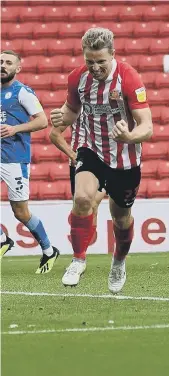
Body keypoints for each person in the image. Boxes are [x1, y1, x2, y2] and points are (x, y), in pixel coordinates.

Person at [50, 28, 153, 293]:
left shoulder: (129, 78)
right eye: (90, 61)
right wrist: (61, 117)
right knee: (82, 199)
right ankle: (78, 259)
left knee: (121, 218)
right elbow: (71, 111)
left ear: (113, 55)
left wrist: (130, 136)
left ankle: (118, 261)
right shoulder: (77, 78)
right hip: (90, 148)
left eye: (100, 61)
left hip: (124, 156)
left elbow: (147, 127)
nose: (95, 67)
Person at [0, 50, 60, 273]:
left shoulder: (22, 92)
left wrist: (15, 128)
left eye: (8, 63)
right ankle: (2, 240)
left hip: (15, 159)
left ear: (17, 68)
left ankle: (48, 250)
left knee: (21, 212)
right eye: (0, 62)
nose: (3, 66)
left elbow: (43, 121)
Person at [49, 118, 106, 246]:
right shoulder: (76, 104)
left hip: (106, 159)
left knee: (94, 204)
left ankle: (82, 251)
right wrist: (73, 155)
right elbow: (54, 134)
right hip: (81, 160)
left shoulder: (109, 105)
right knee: (83, 205)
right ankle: (80, 254)